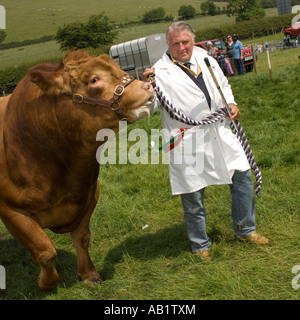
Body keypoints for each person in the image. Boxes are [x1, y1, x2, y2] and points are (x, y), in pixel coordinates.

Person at [143, 21, 269, 260]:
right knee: (193, 196)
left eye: (185, 42)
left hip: (220, 132)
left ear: (193, 40)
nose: (182, 47)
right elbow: (151, 108)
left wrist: (231, 103)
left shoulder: (206, 58)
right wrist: (147, 88)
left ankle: (245, 230)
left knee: (242, 177)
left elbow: (223, 85)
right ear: (168, 45)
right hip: (187, 141)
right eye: (176, 43)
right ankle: (201, 245)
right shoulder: (158, 72)